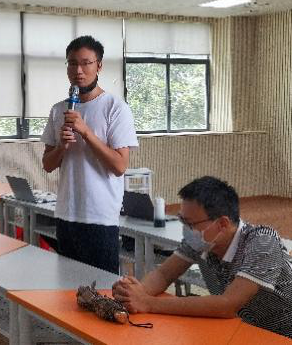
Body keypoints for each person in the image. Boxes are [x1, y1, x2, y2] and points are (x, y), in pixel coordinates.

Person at [112, 176, 292, 339]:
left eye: (190, 224)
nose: (186, 230)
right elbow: (163, 275)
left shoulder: (262, 242)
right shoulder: (201, 241)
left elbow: (227, 305)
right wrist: (134, 293)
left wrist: (148, 303)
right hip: (247, 329)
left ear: (222, 224)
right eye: (182, 221)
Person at [41, 35, 138, 274]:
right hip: (66, 213)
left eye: (86, 63)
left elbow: (119, 166)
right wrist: (62, 147)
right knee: (66, 285)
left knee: (101, 288)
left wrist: (86, 132)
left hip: (100, 217)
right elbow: (47, 165)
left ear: (99, 66)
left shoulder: (116, 108)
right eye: (72, 63)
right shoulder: (58, 110)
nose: (78, 70)